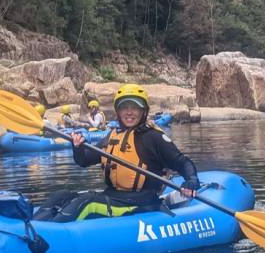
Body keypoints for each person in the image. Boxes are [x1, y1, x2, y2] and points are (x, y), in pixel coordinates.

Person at [34, 84, 200, 222]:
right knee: (61, 196)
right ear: (118, 111)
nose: (129, 112)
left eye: (135, 107)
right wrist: (77, 147)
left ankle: (45, 237)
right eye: (124, 108)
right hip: (114, 196)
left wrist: (191, 180)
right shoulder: (113, 135)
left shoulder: (154, 137)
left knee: (88, 203)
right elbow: (84, 161)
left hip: (140, 202)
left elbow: (182, 162)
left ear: (144, 111)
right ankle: (33, 225)